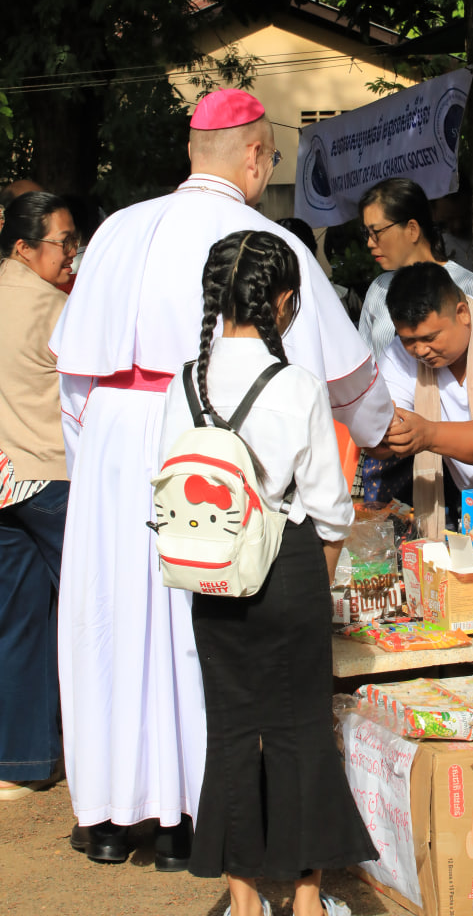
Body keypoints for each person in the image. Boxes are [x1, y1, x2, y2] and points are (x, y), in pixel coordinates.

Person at [51, 89, 394, 867]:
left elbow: (73, 377)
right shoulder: (261, 240)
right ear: (256, 157)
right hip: (211, 441)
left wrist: (96, 468)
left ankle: (106, 817)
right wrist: (383, 429)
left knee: (109, 626)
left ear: (191, 150)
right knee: (193, 627)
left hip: (112, 441)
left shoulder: (115, 229)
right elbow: (342, 375)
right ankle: (187, 820)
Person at [158, 231, 374, 916]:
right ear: (282, 301)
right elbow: (330, 509)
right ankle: (307, 901)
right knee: (300, 732)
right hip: (288, 568)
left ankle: (244, 901)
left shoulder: (184, 384)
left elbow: (167, 483)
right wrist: (317, 583)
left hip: (212, 578)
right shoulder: (297, 386)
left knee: (230, 732)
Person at [0, 193, 78, 800]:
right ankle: (109, 759)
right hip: (52, 477)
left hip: (6, 481)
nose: (71, 253)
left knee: (19, 622)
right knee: (93, 616)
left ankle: (23, 762)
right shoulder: (55, 308)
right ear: (25, 247)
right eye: (62, 242)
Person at [374, 263, 473, 536]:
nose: (420, 350)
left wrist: (427, 434)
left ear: (462, 313)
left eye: (430, 337)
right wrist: (386, 434)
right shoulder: (399, 354)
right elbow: (378, 435)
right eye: (409, 340)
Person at [358, 177, 473, 358]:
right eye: (366, 233)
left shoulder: (470, 286)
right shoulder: (378, 289)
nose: (369, 243)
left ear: (412, 229)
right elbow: (367, 362)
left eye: (376, 232)